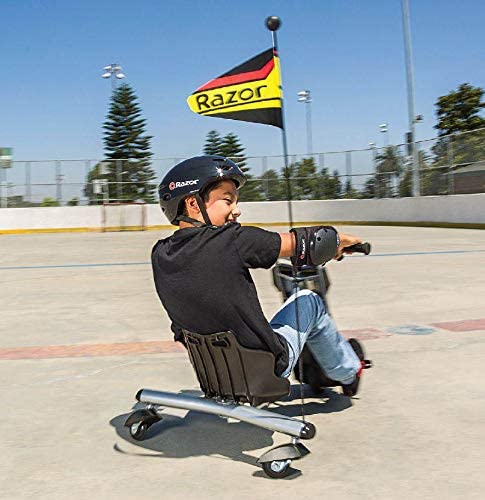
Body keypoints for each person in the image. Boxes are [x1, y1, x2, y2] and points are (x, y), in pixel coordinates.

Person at [152, 155, 368, 396]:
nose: (237, 211)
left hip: (214, 372)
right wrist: (340, 241)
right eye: (227, 201)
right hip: (265, 369)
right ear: (193, 204)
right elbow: (310, 243)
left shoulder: (160, 254)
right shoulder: (233, 240)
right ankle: (349, 371)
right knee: (309, 300)